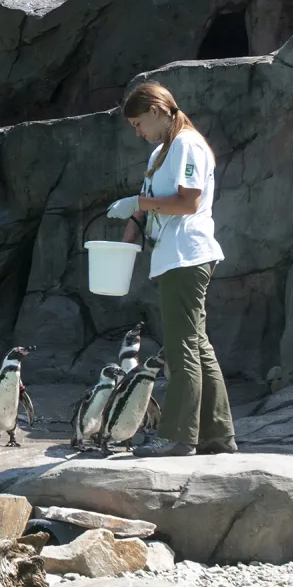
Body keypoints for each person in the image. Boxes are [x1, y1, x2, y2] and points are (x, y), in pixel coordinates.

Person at [106, 81, 236, 458]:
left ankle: (178, 437)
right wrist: (131, 226)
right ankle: (217, 435)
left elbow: (187, 203)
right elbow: (150, 206)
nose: (137, 131)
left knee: (181, 350)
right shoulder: (160, 152)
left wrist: (137, 200)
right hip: (171, 258)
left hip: (188, 256)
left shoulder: (187, 144)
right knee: (197, 344)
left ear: (157, 110)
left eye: (138, 123)